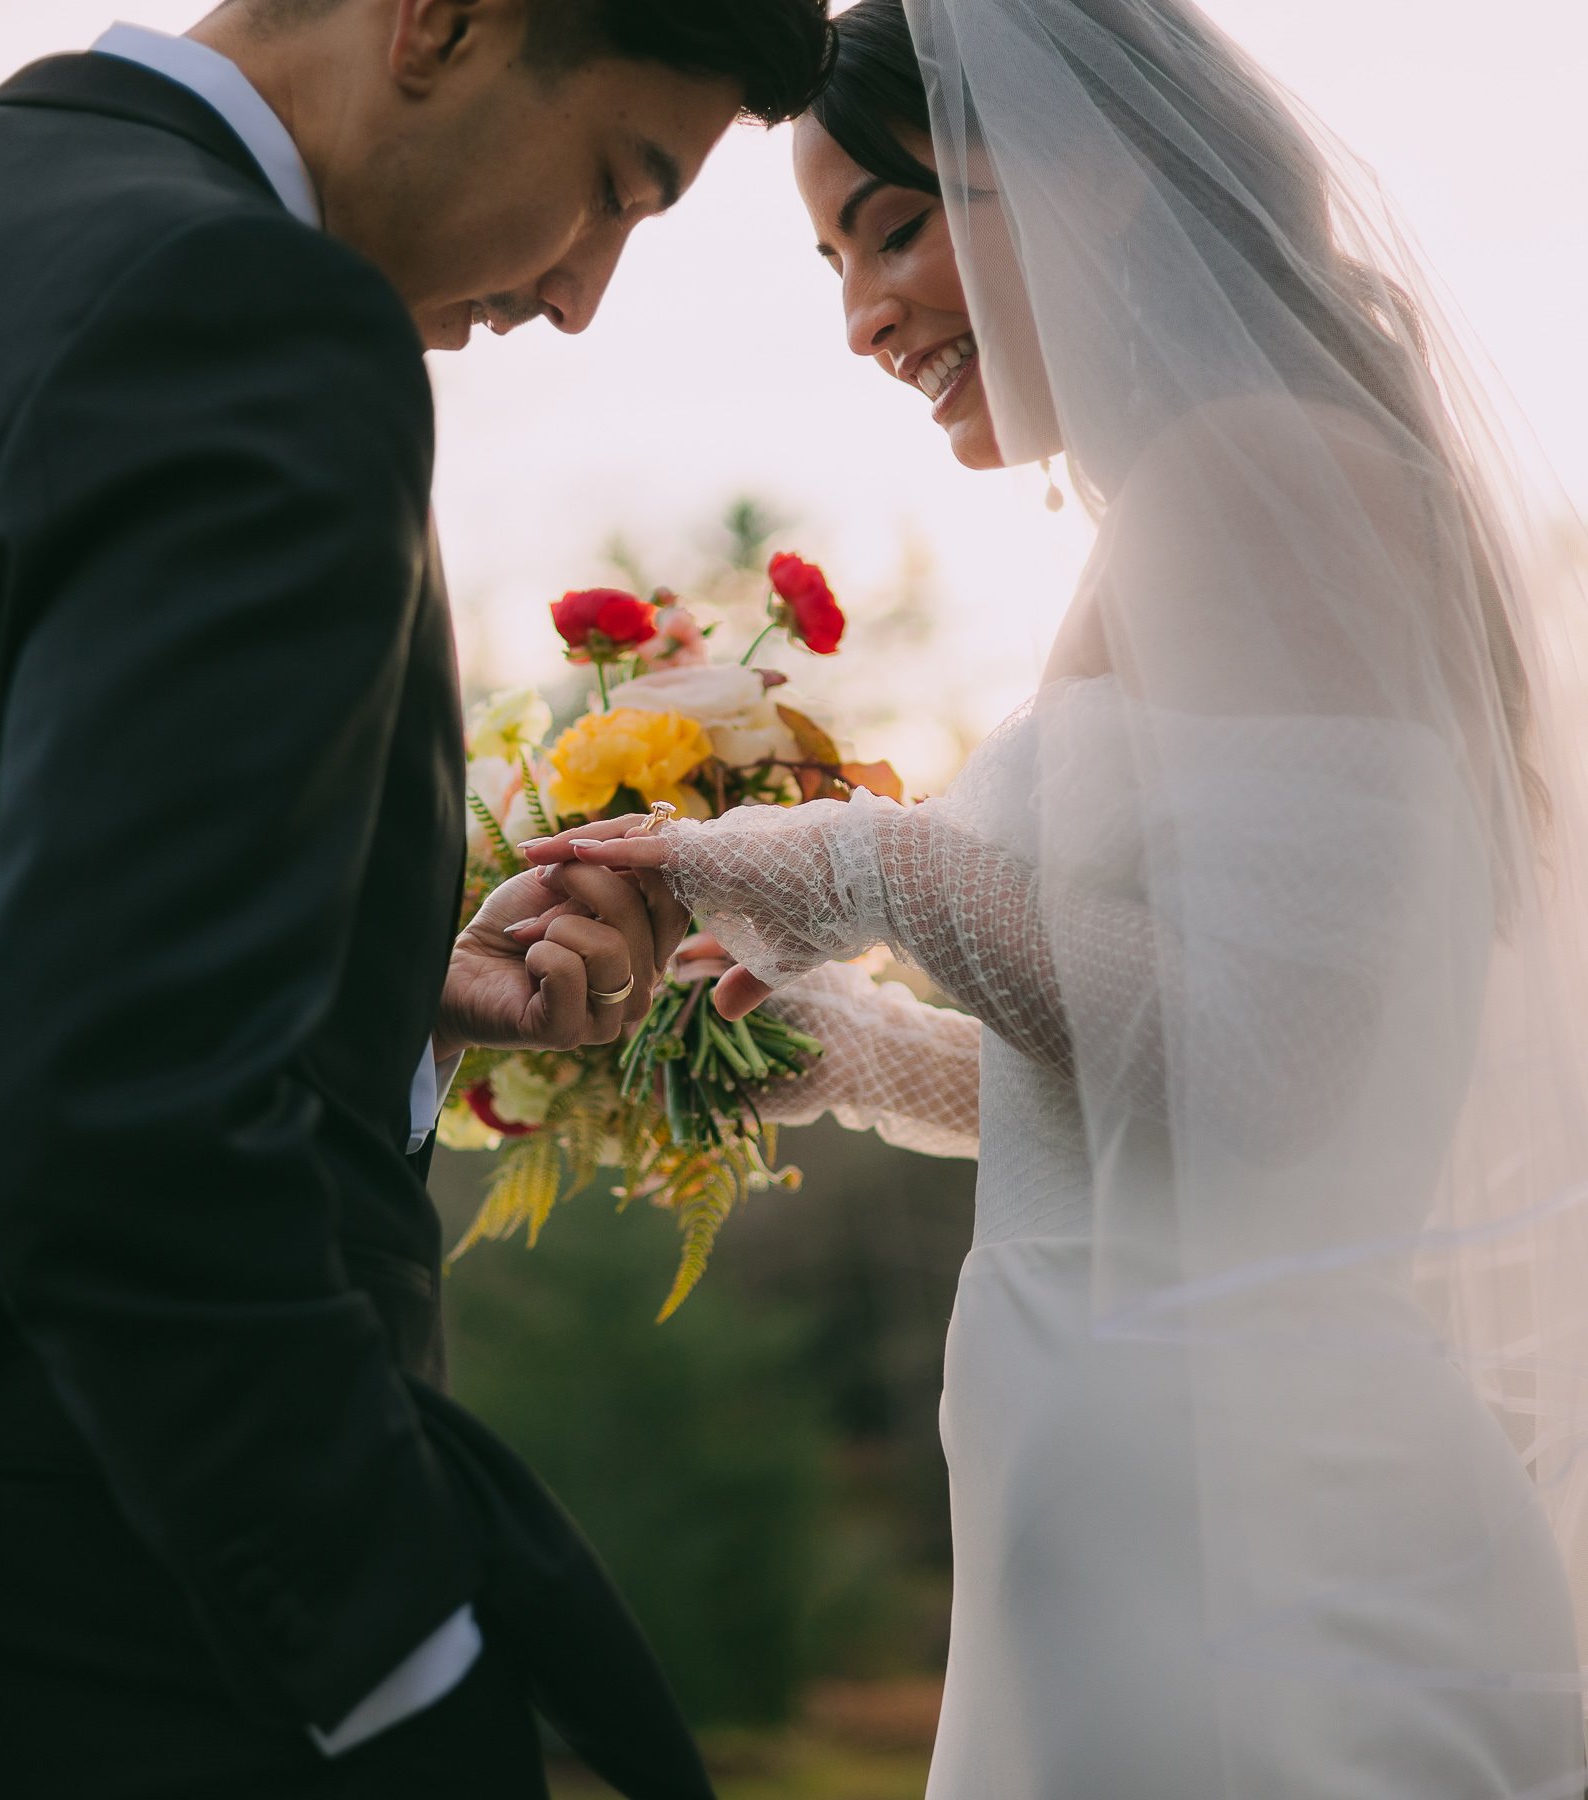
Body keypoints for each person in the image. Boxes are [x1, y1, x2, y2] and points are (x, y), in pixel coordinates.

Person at [527, 0, 1588, 1792]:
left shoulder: (1266, 471)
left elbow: (1271, 1074)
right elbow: (1152, 1112)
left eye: (895, 226)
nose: (863, 319)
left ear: (1096, 181)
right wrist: (853, 1053)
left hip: (1243, 1534)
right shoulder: (1212, 493)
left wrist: (847, 864)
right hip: (1131, 1493)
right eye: (833, 262)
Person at [0, 2, 833, 1796]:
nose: (582, 292)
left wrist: (384, 995)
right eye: (611, 188)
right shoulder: (245, 312)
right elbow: (105, 1125)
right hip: (109, 1614)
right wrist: (398, 1664)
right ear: (446, 19)